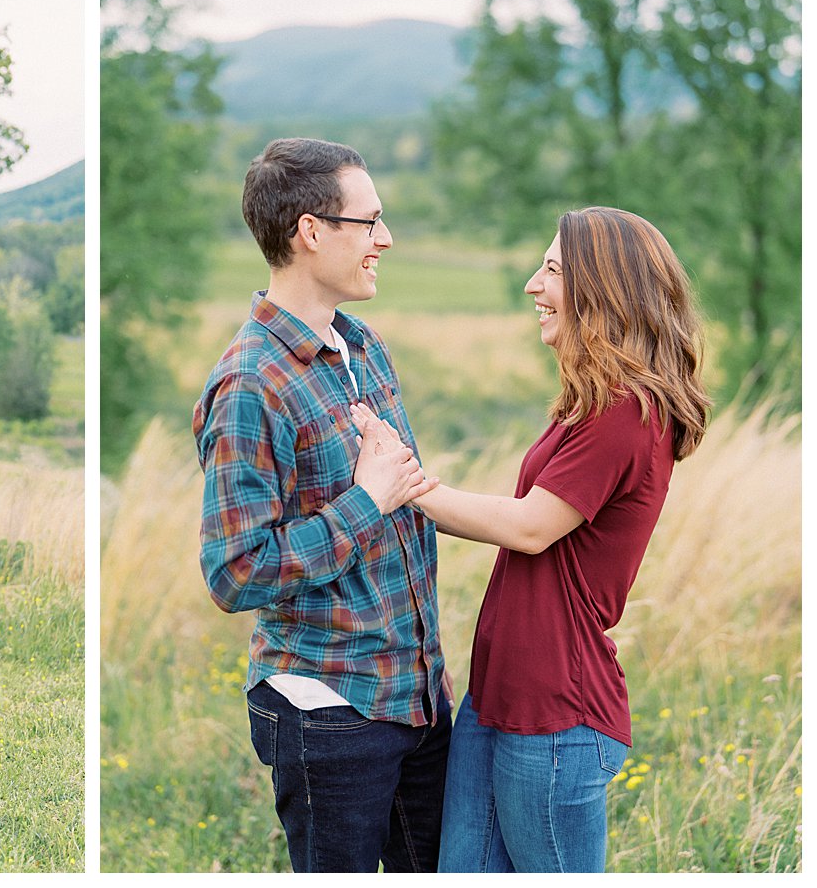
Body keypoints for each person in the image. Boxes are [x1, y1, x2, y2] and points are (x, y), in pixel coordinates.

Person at [353, 206, 710, 872]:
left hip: (556, 716)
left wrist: (399, 481)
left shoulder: (625, 412)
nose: (531, 285)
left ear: (600, 288)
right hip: (499, 699)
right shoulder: (587, 405)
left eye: (551, 269)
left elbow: (529, 527)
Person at [192, 138, 447, 873]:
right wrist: (365, 503)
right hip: (328, 710)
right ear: (311, 231)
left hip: (417, 696)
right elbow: (234, 571)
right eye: (369, 222)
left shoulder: (364, 348)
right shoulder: (250, 383)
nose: (385, 238)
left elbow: (407, 500)